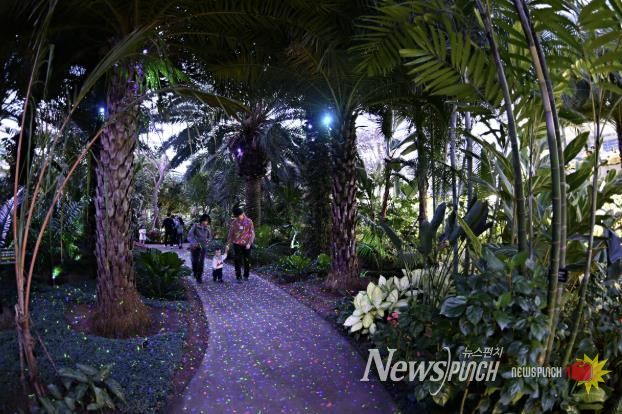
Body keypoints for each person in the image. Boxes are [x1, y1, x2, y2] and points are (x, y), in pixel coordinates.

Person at [225, 206, 255, 282]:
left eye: (239, 216)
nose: (238, 218)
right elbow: (230, 234)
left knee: (247, 260)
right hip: (237, 244)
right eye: (237, 217)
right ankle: (238, 276)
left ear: (242, 213)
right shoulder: (234, 223)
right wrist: (228, 244)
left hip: (247, 244)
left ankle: (246, 275)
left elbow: (252, 234)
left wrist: (249, 243)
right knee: (237, 260)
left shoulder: (249, 221)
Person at [188, 214, 212, 284]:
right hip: (195, 246)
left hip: (203, 246)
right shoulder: (195, 226)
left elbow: (210, 237)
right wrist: (194, 243)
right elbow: (190, 235)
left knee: (201, 262)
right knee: (195, 261)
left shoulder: (208, 228)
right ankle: (195, 272)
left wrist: (208, 240)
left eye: (207, 221)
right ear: (202, 220)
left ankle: (199, 277)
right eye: (205, 220)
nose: (206, 222)